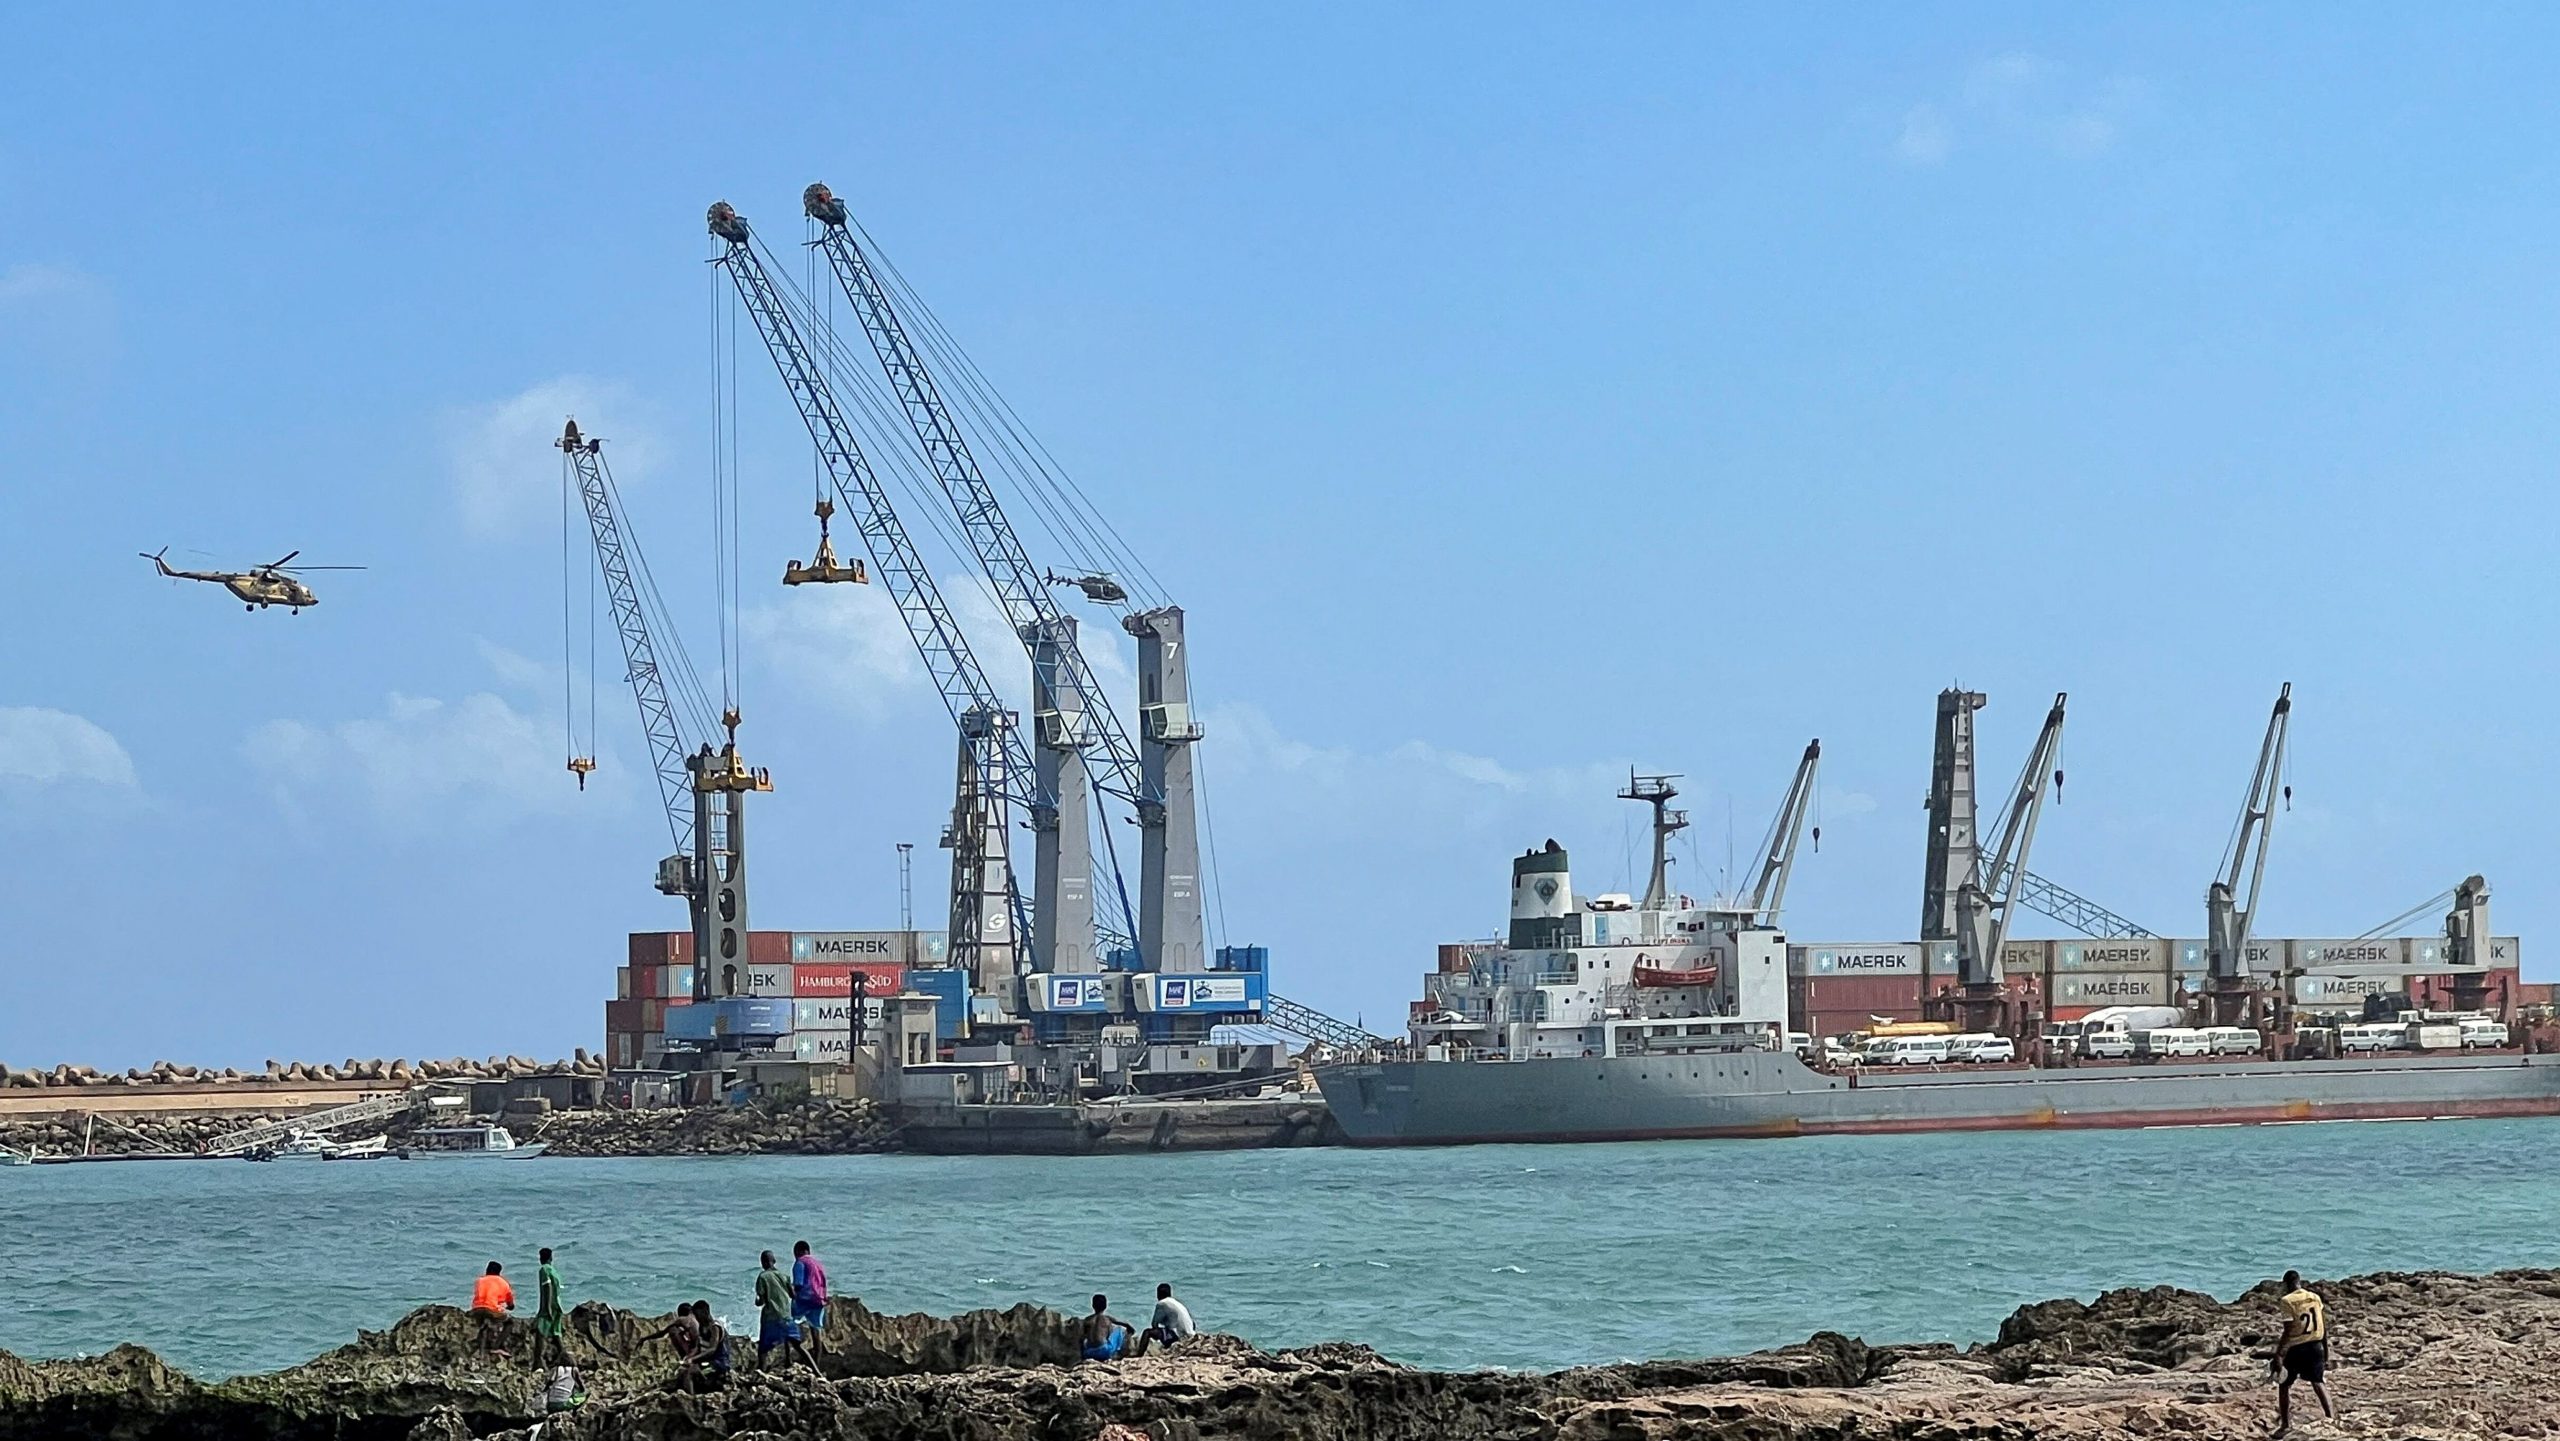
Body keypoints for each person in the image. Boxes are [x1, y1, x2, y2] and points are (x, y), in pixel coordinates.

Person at [2271, 1269, 2335, 1437]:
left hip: (2297, 1347)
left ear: (2285, 1284)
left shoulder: (2287, 1301)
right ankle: (2331, 1418)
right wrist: (2326, 1350)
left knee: (2284, 1385)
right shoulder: (2314, 1297)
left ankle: (2285, 1425)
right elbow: (2322, 1325)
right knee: (2318, 1382)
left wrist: (2279, 1354)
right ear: (2299, 1281)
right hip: (2316, 1345)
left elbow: (2288, 1329)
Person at [755, 1251, 816, 1371]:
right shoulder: (784, 1276)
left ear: (762, 1263)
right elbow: (793, 1295)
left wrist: (757, 1301)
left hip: (771, 1318)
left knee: (763, 1351)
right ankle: (817, 1372)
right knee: (798, 1346)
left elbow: (761, 1300)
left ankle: (761, 1374)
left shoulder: (763, 1277)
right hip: (787, 1316)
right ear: (774, 1261)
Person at [1130, 1283, 1195, 1357]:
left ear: (1158, 1294)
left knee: (1147, 1332)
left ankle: (1139, 1355)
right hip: (1190, 1334)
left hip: (1178, 1335)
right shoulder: (1177, 1303)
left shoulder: (1162, 1304)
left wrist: (1159, 1336)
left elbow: (1154, 1323)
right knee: (1167, 1330)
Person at [790, 1241, 830, 1357]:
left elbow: (798, 1284)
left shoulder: (800, 1262)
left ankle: (789, 1357)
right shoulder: (818, 1264)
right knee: (816, 1331)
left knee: (789, 1321)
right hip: (819, 1299)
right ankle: (817, 1364)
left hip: (805, 1299)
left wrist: (791, 1293)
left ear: (798, 1252)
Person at [471, 1261, 516, 1359]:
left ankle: (481, 1351)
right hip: (491, 1310)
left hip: (476, 1309)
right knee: (509, 1322)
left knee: (483, 1325)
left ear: (487, 1270)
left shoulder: (480, 1280)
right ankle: (496, 1346)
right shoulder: (503, 1283)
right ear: (499, 1272)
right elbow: (510, 1303)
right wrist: (509, 1307)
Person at [534, 1247, 567, 1365]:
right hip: (558, 1304)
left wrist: (546, 1308)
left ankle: (538, 1361)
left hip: (549, 1305)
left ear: (541, 1258)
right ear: (551, 1258)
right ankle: (565, 1358)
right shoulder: (555, 1272)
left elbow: (547, 1288)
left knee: (540, 1332)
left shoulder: (544, 1270)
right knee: (556, 1333)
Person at [1079, 1293, 1131, 1362]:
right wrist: (1131, 1330)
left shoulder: (1087, 1319)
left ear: (1093, 1305)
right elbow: (1126, 1324)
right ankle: (1118, 1353)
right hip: (1104, 1352)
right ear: (1106, 1306)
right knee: (1119, 1330)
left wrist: (1083, 1354)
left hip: (1089, 1353)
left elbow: (1082, 1338)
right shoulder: (1108, 1319)